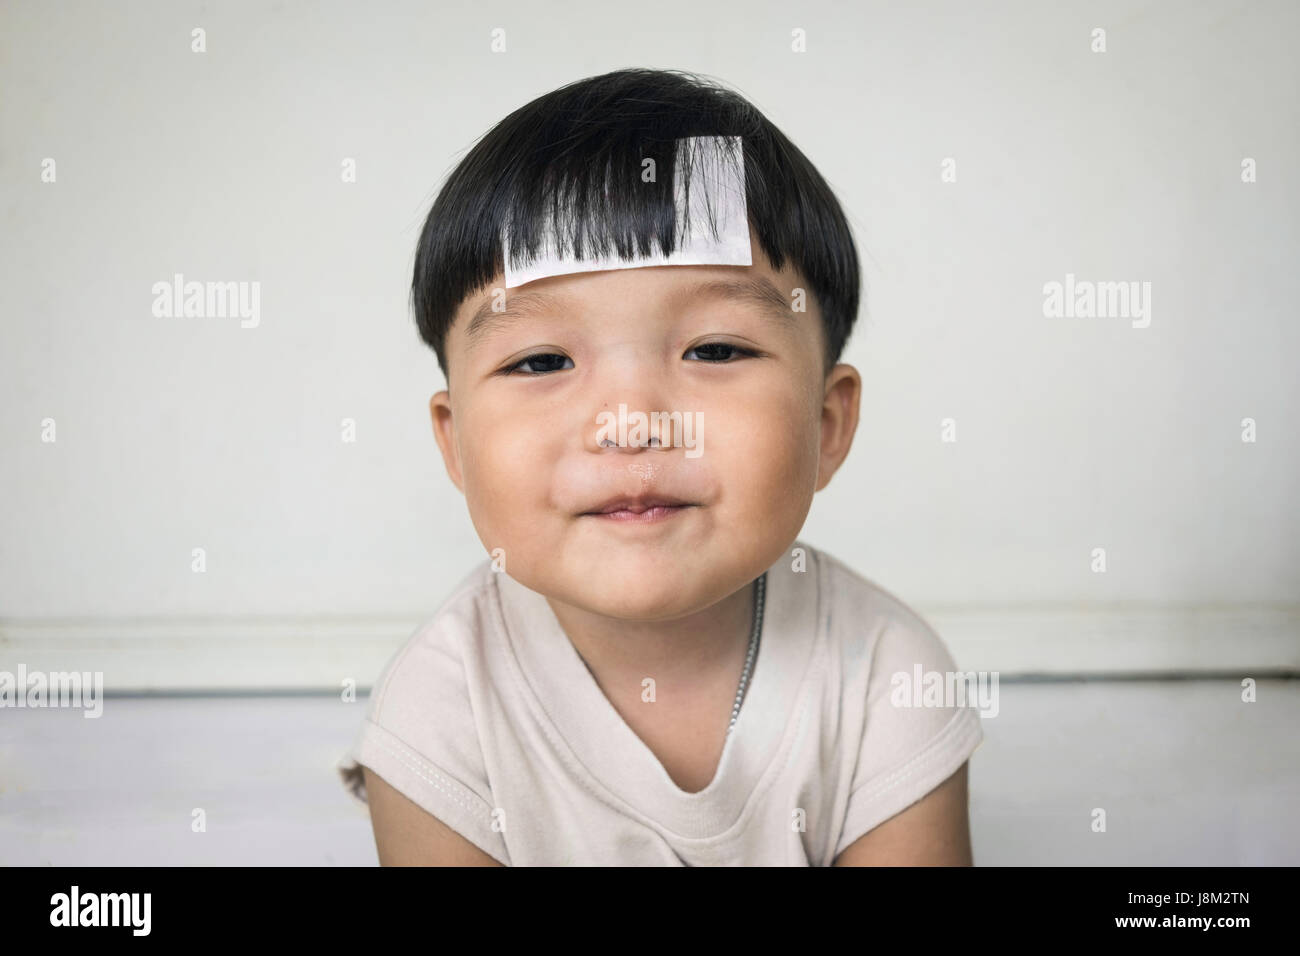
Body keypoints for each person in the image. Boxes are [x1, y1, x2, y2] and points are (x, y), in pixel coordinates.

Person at [338, 67, 983, 865]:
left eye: (715, 349)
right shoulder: (440, 713)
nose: (632, 423)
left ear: (826, 423)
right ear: (454, 442)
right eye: (542, 361)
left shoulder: (887, 674)